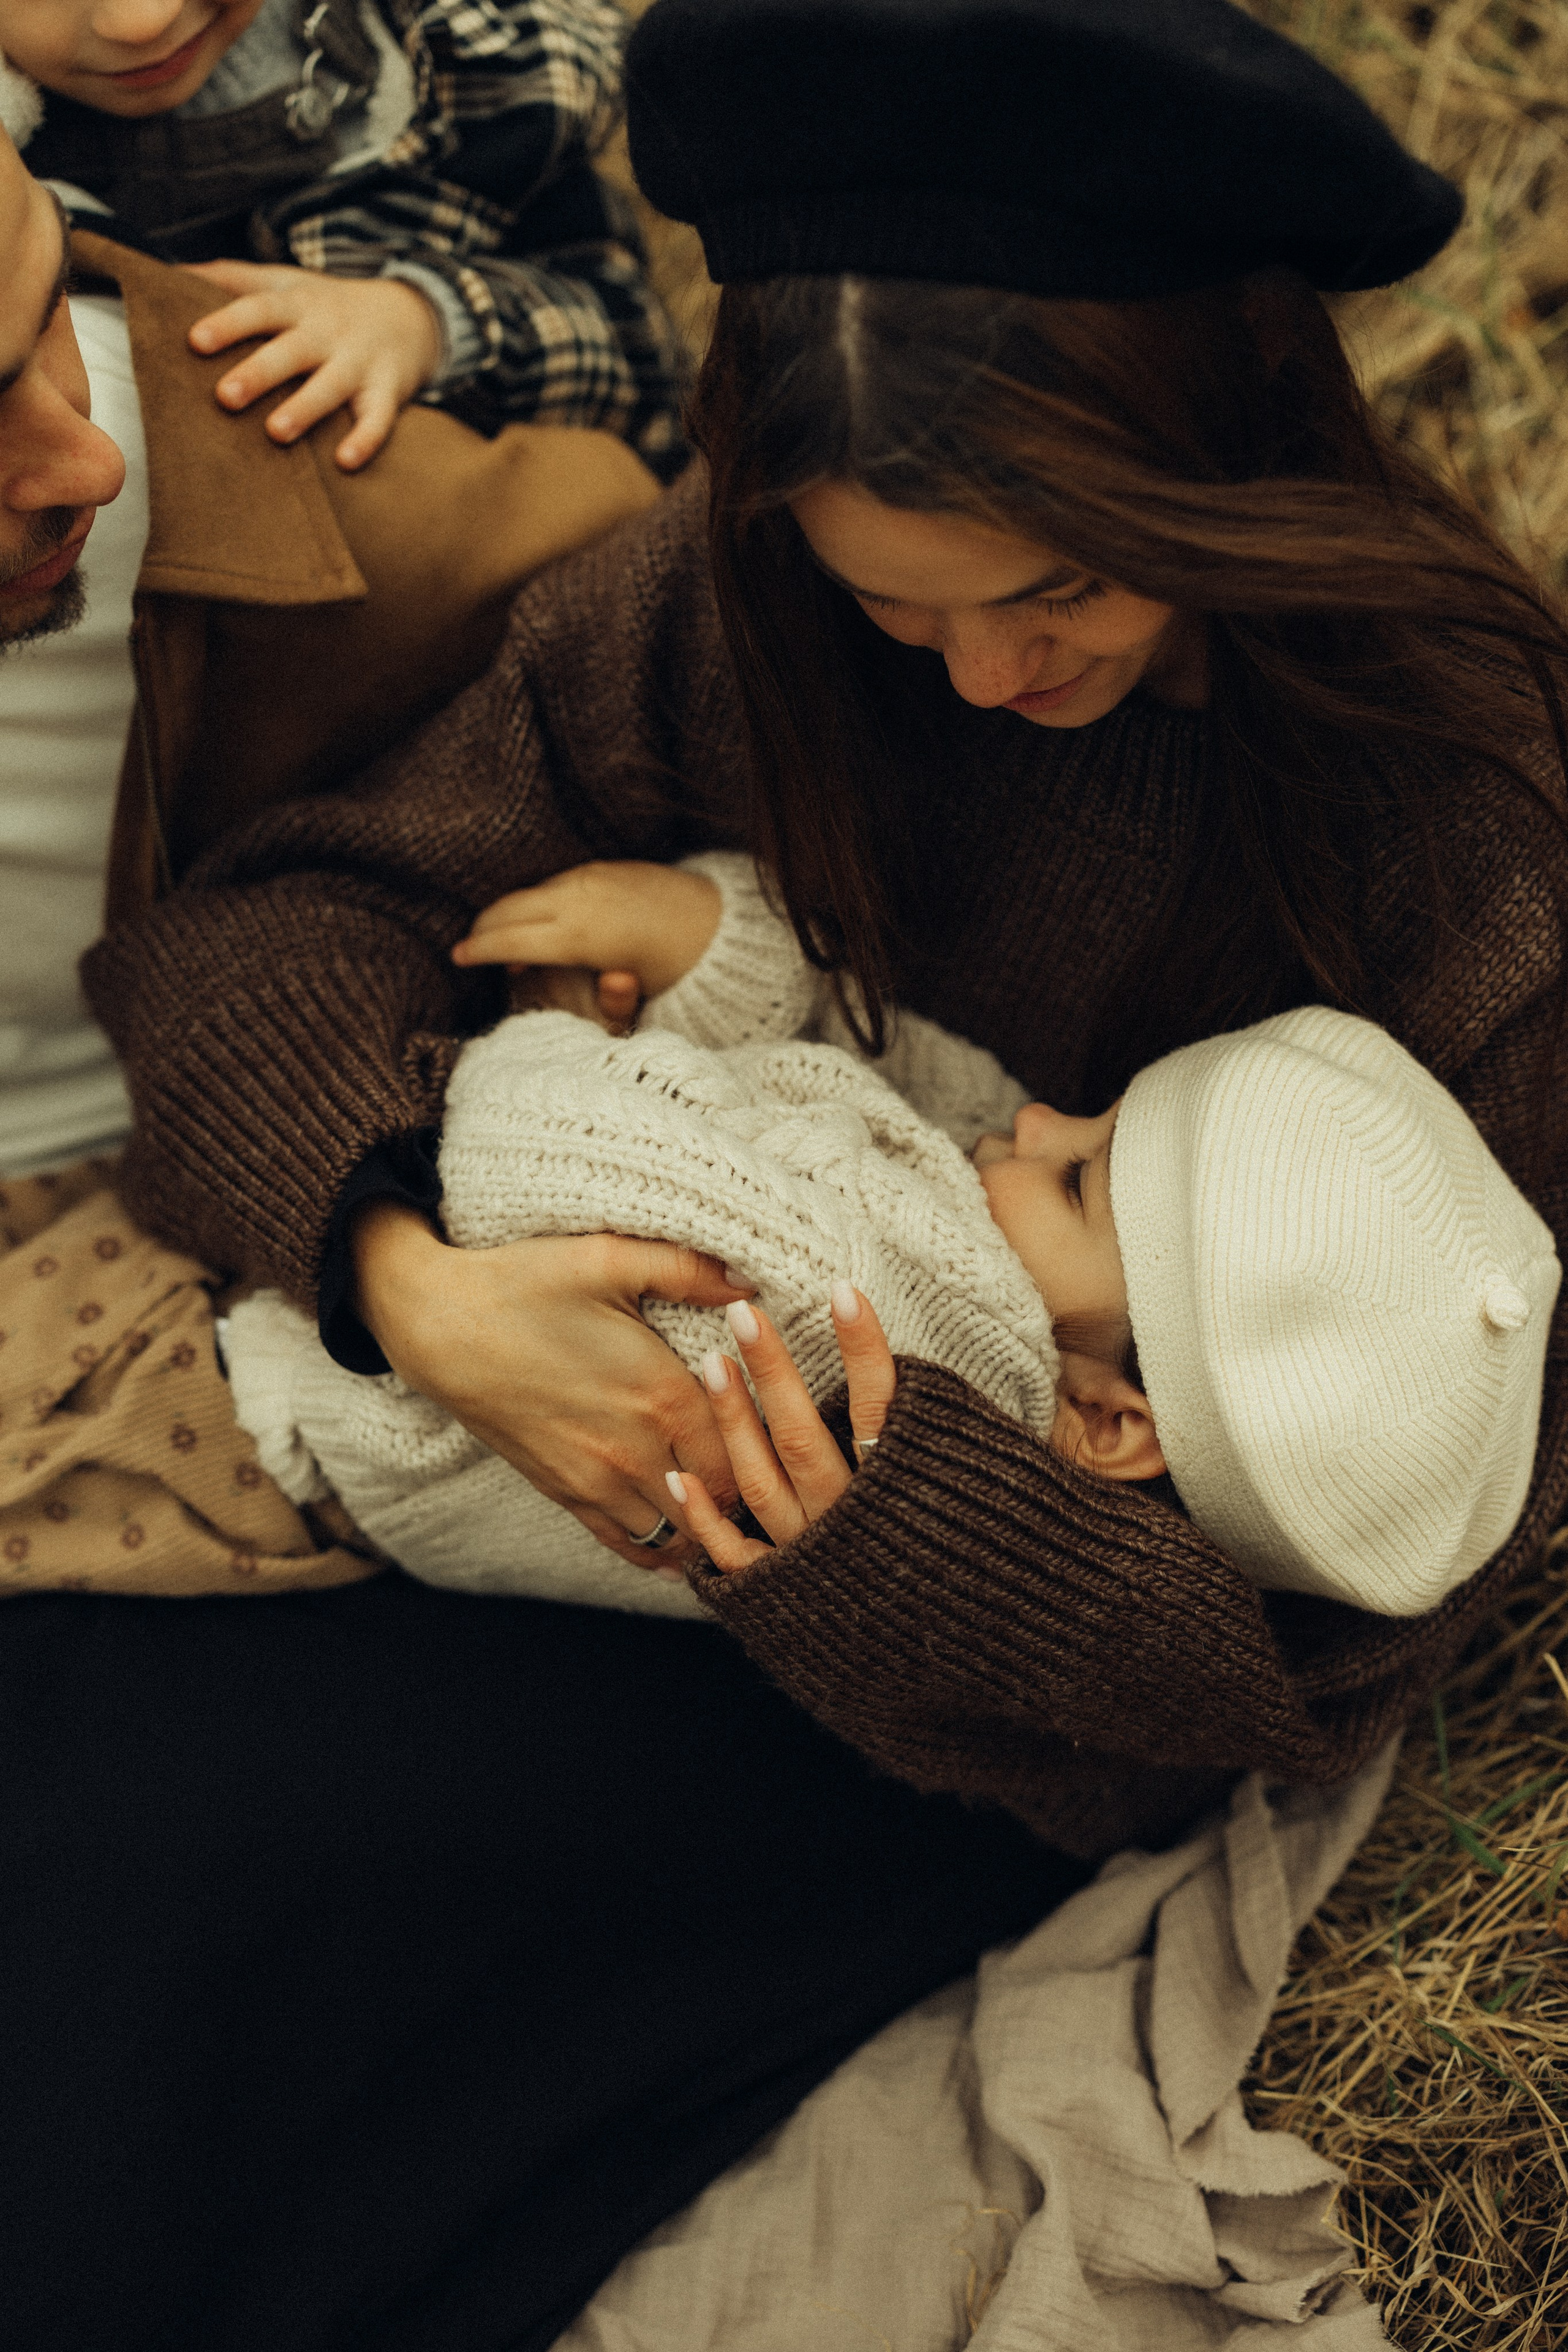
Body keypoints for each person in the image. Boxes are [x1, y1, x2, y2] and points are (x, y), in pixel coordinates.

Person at [0, 81, 1091, 2352]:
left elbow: (635, 647)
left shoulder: (257, 480)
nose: (77, 454)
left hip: (275, 1273)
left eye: (43, 322)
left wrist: (408, 1261)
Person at [224, 848, 1559, 1629]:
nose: (1037, 1117)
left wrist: (562, 1024)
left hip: (292, 1403)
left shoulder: (860, 1312)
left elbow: (506, 1161)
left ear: (1111, 1421)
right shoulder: (1006, 1319)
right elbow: (908, 1072)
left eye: (1082, 1175)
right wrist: (719, 957)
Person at [0, 0, 685, 474]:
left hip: (553, 512)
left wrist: (426, 322)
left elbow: (645, 362)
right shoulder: (18, 172)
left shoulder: (451, 71)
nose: (142, 21)